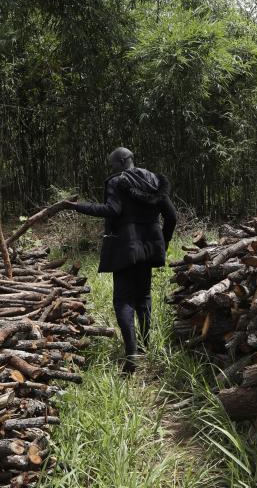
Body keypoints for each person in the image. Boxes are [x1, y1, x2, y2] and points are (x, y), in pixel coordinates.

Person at [68, 147, 177, 373]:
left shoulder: (117, 182)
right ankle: (147, 346)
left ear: (122, 160)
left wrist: (78, 207)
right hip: (149, 248)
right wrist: (161, 243)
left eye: (113, 164)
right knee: (144, 296)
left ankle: (132, 357)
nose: (113, 168)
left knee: (123, 301)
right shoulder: (154, 180)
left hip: (126, 248)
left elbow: (112, 210)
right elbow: (172, 217)